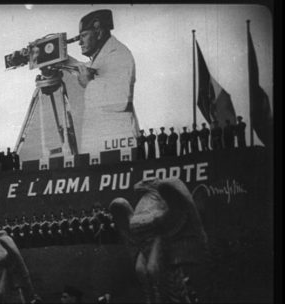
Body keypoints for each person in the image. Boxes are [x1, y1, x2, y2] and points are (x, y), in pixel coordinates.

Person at [109, 178, 209, 303]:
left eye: (146, 182)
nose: (139, 185)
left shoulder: (160, 208)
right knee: (141, 271)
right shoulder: (143, 208)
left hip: (161, 246)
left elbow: (171, 216)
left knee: (156, 273)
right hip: (145, 248)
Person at [75, 9, 140, 154]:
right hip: (103, 142)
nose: (80, 42)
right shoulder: (102, 56)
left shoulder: (119, 54)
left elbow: (120, 99)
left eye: (84, 36)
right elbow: (87, 69)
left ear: (98, 32)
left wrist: (89, 84)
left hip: (118, 144)